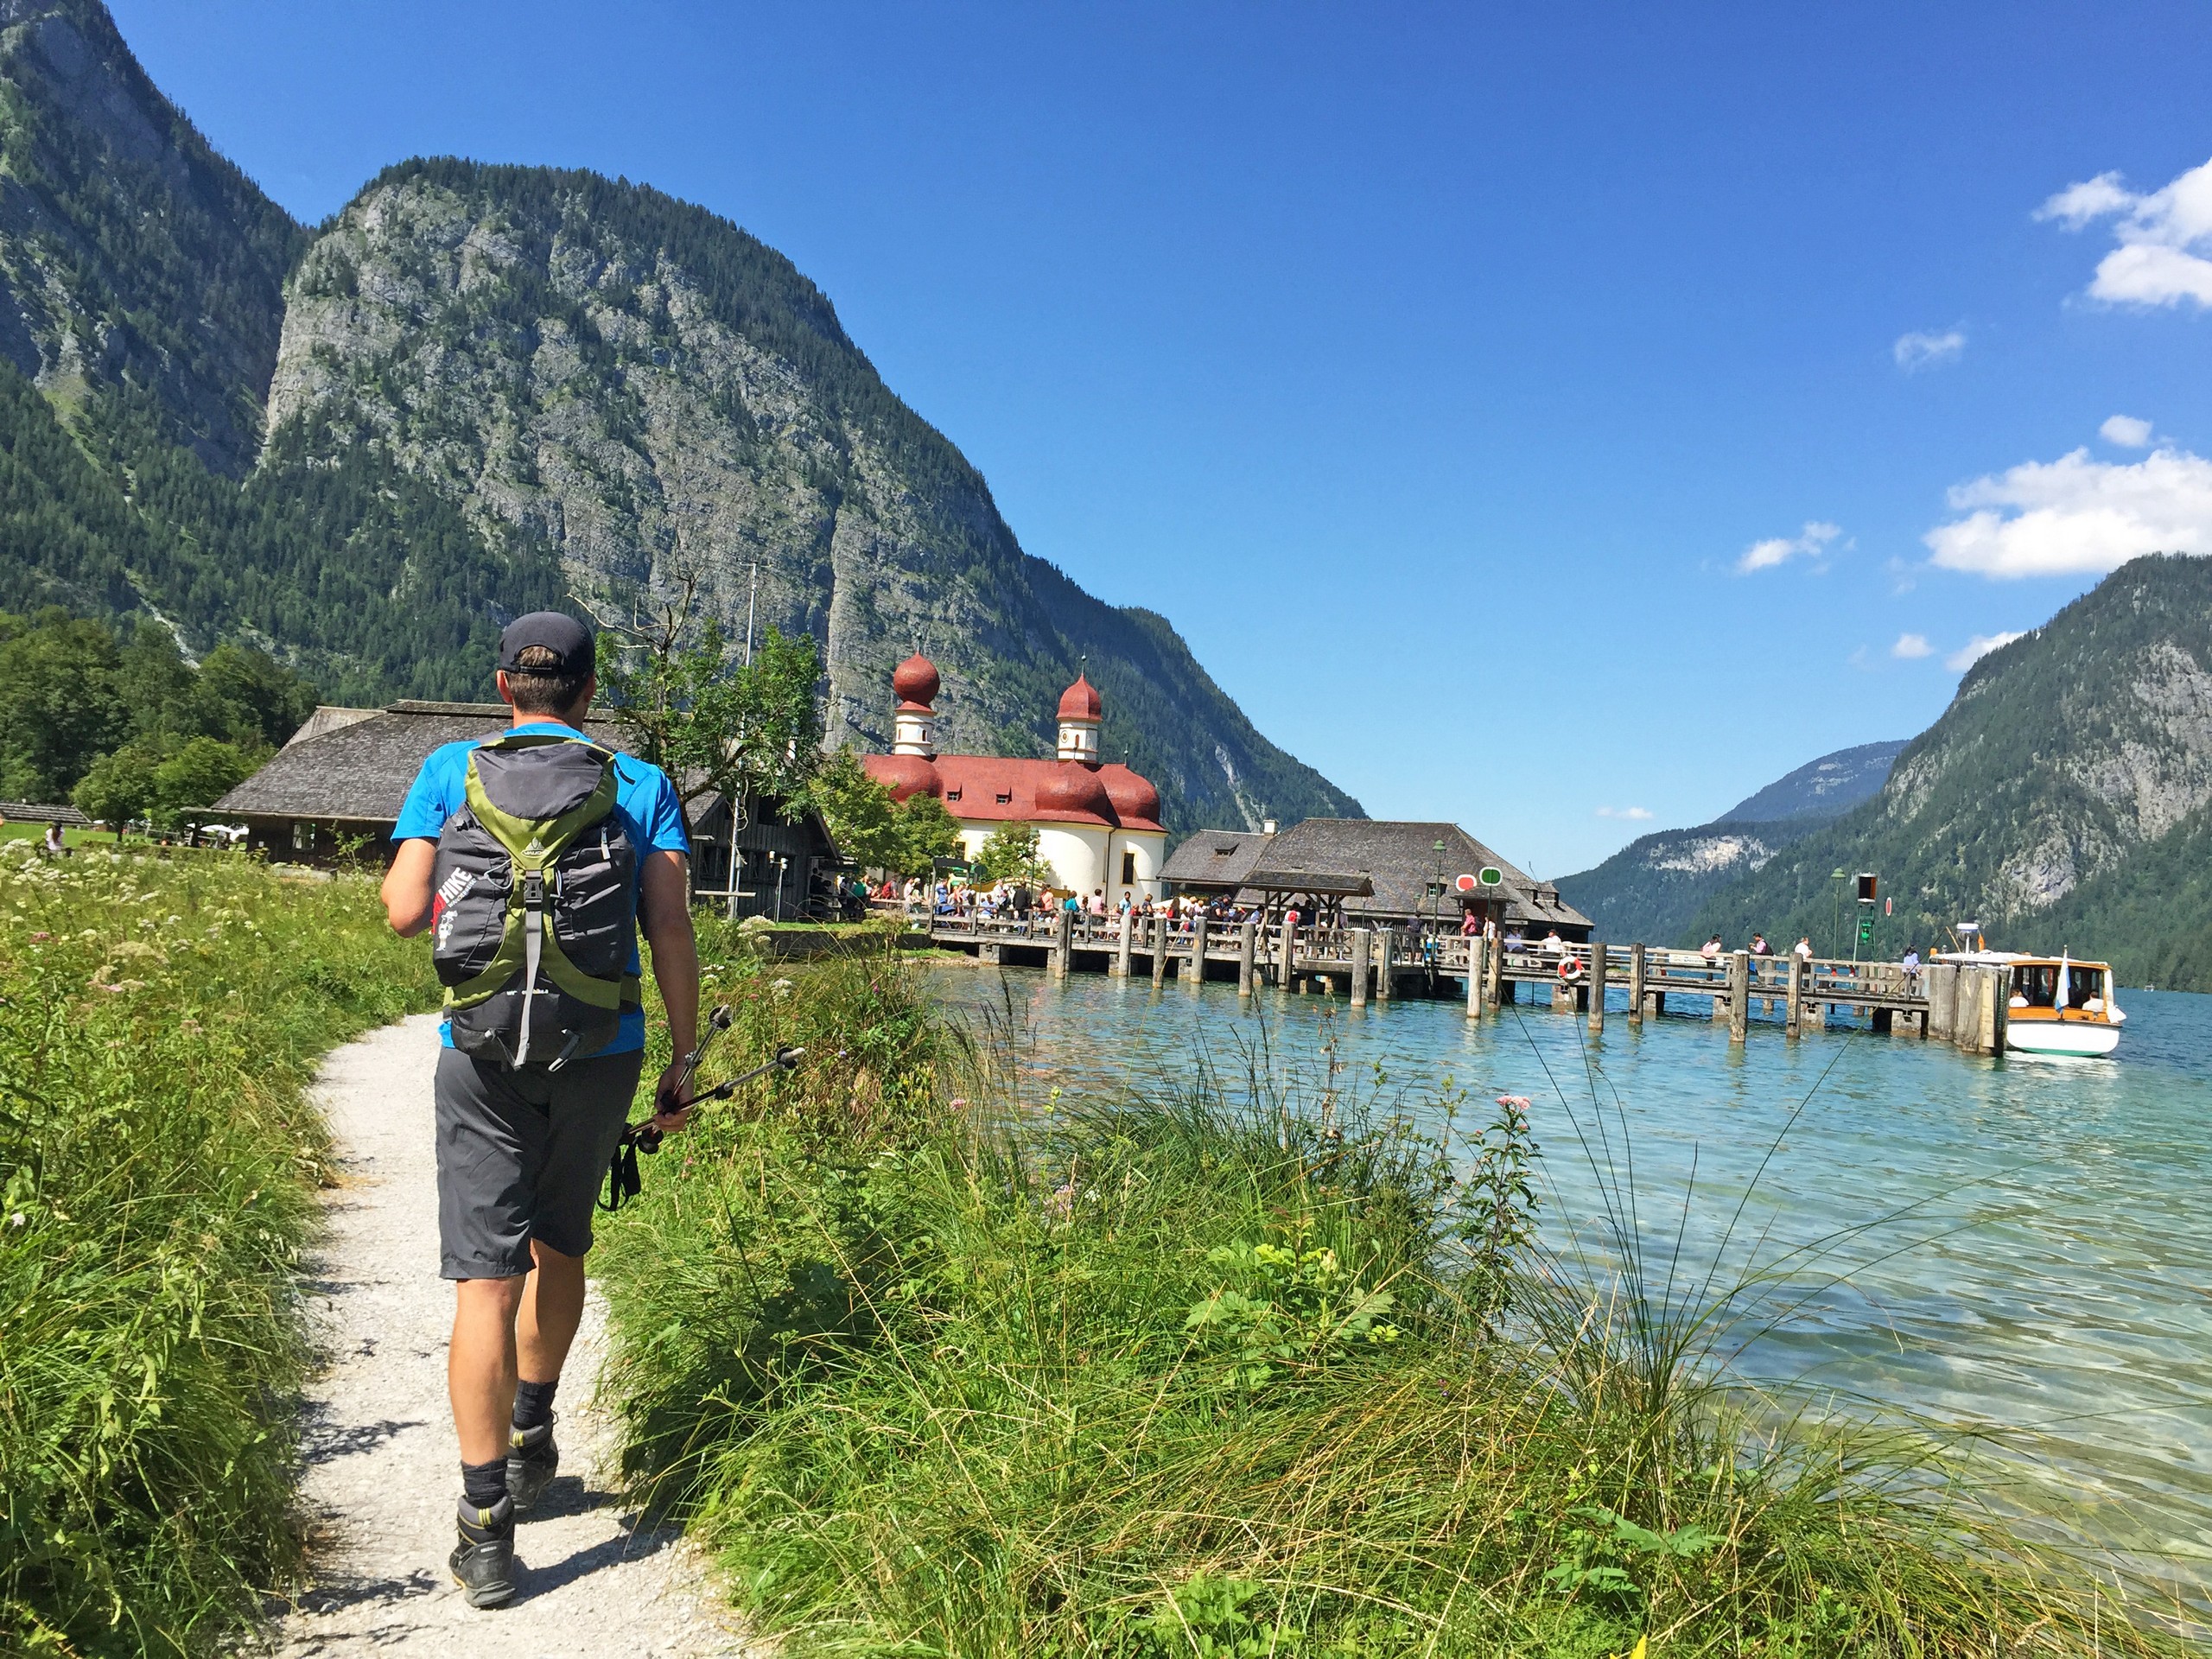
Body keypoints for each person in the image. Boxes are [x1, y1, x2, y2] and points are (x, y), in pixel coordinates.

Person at [378, 613, 696, 1611]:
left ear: (504, 684)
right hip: (601, 1051)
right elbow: (669, 924)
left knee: (484, 1285)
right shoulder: (638, 784)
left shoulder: (447, 766)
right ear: (590, 693)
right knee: (562, 1245)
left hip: (477, 1054)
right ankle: (534, 1429)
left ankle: (483, 1531)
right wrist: (683, 1060)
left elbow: (399, 909)